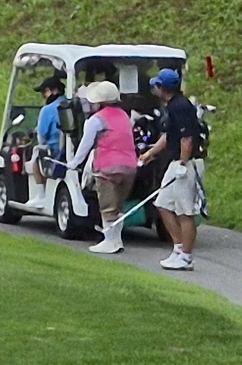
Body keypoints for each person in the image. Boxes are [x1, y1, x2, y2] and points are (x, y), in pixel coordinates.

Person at [146, 65, 208, 271]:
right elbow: (168, 137)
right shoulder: (172, 106)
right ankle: (178, 248)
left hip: (186, 164)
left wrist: (183, 163)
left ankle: (186, 257)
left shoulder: (180, 106)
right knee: (162, 204)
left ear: (162, 88)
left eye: (157, 86)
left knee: (184, 212)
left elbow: (187, 139)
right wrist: (149, 154)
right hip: (177, 162)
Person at [76, 77, 141, 253]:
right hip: (130, 166)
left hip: (107, 167)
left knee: (107, 206)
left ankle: (110, 241)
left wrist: (74, 163)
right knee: (118, 206)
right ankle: (116, 240)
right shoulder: (125, 116)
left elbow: (86, 144)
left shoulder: (97, 119)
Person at [31, 74, 73, 224]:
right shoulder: (71, 105)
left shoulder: (47, 110)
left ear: (54, 91)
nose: (44, 95)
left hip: (53, 151)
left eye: (45, 91)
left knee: (35, 157)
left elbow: (42, 136)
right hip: (70, 150)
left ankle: (40, 195)